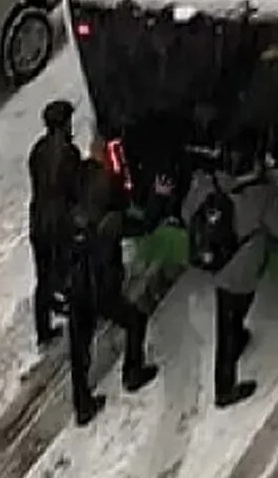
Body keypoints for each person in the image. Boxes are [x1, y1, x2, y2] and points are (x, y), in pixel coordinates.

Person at [182, 149, 278, 408]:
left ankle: (237, 340)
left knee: (229, 314)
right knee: (230, 319)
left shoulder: (208, 185)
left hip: (217, 263)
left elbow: (188, 213)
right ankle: (224, 389)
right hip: (242, 269)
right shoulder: (259, 195)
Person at [66, 129, 164, 426]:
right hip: (101, 284)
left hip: (76, 281)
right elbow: (144, 224)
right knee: (135, 320)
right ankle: (133, 373)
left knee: (79, 345)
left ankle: (82, 404)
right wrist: (159, 197)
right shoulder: (111, 212)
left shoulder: (79, 188)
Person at [26, 100, 85, 349]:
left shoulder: (37, 150)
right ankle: (75, 313)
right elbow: (74, 190)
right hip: (59, 222)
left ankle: (43, 330)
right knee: (69, 267)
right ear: (63, 124)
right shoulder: (70, 153)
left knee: (44, 276)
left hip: (38, 220)